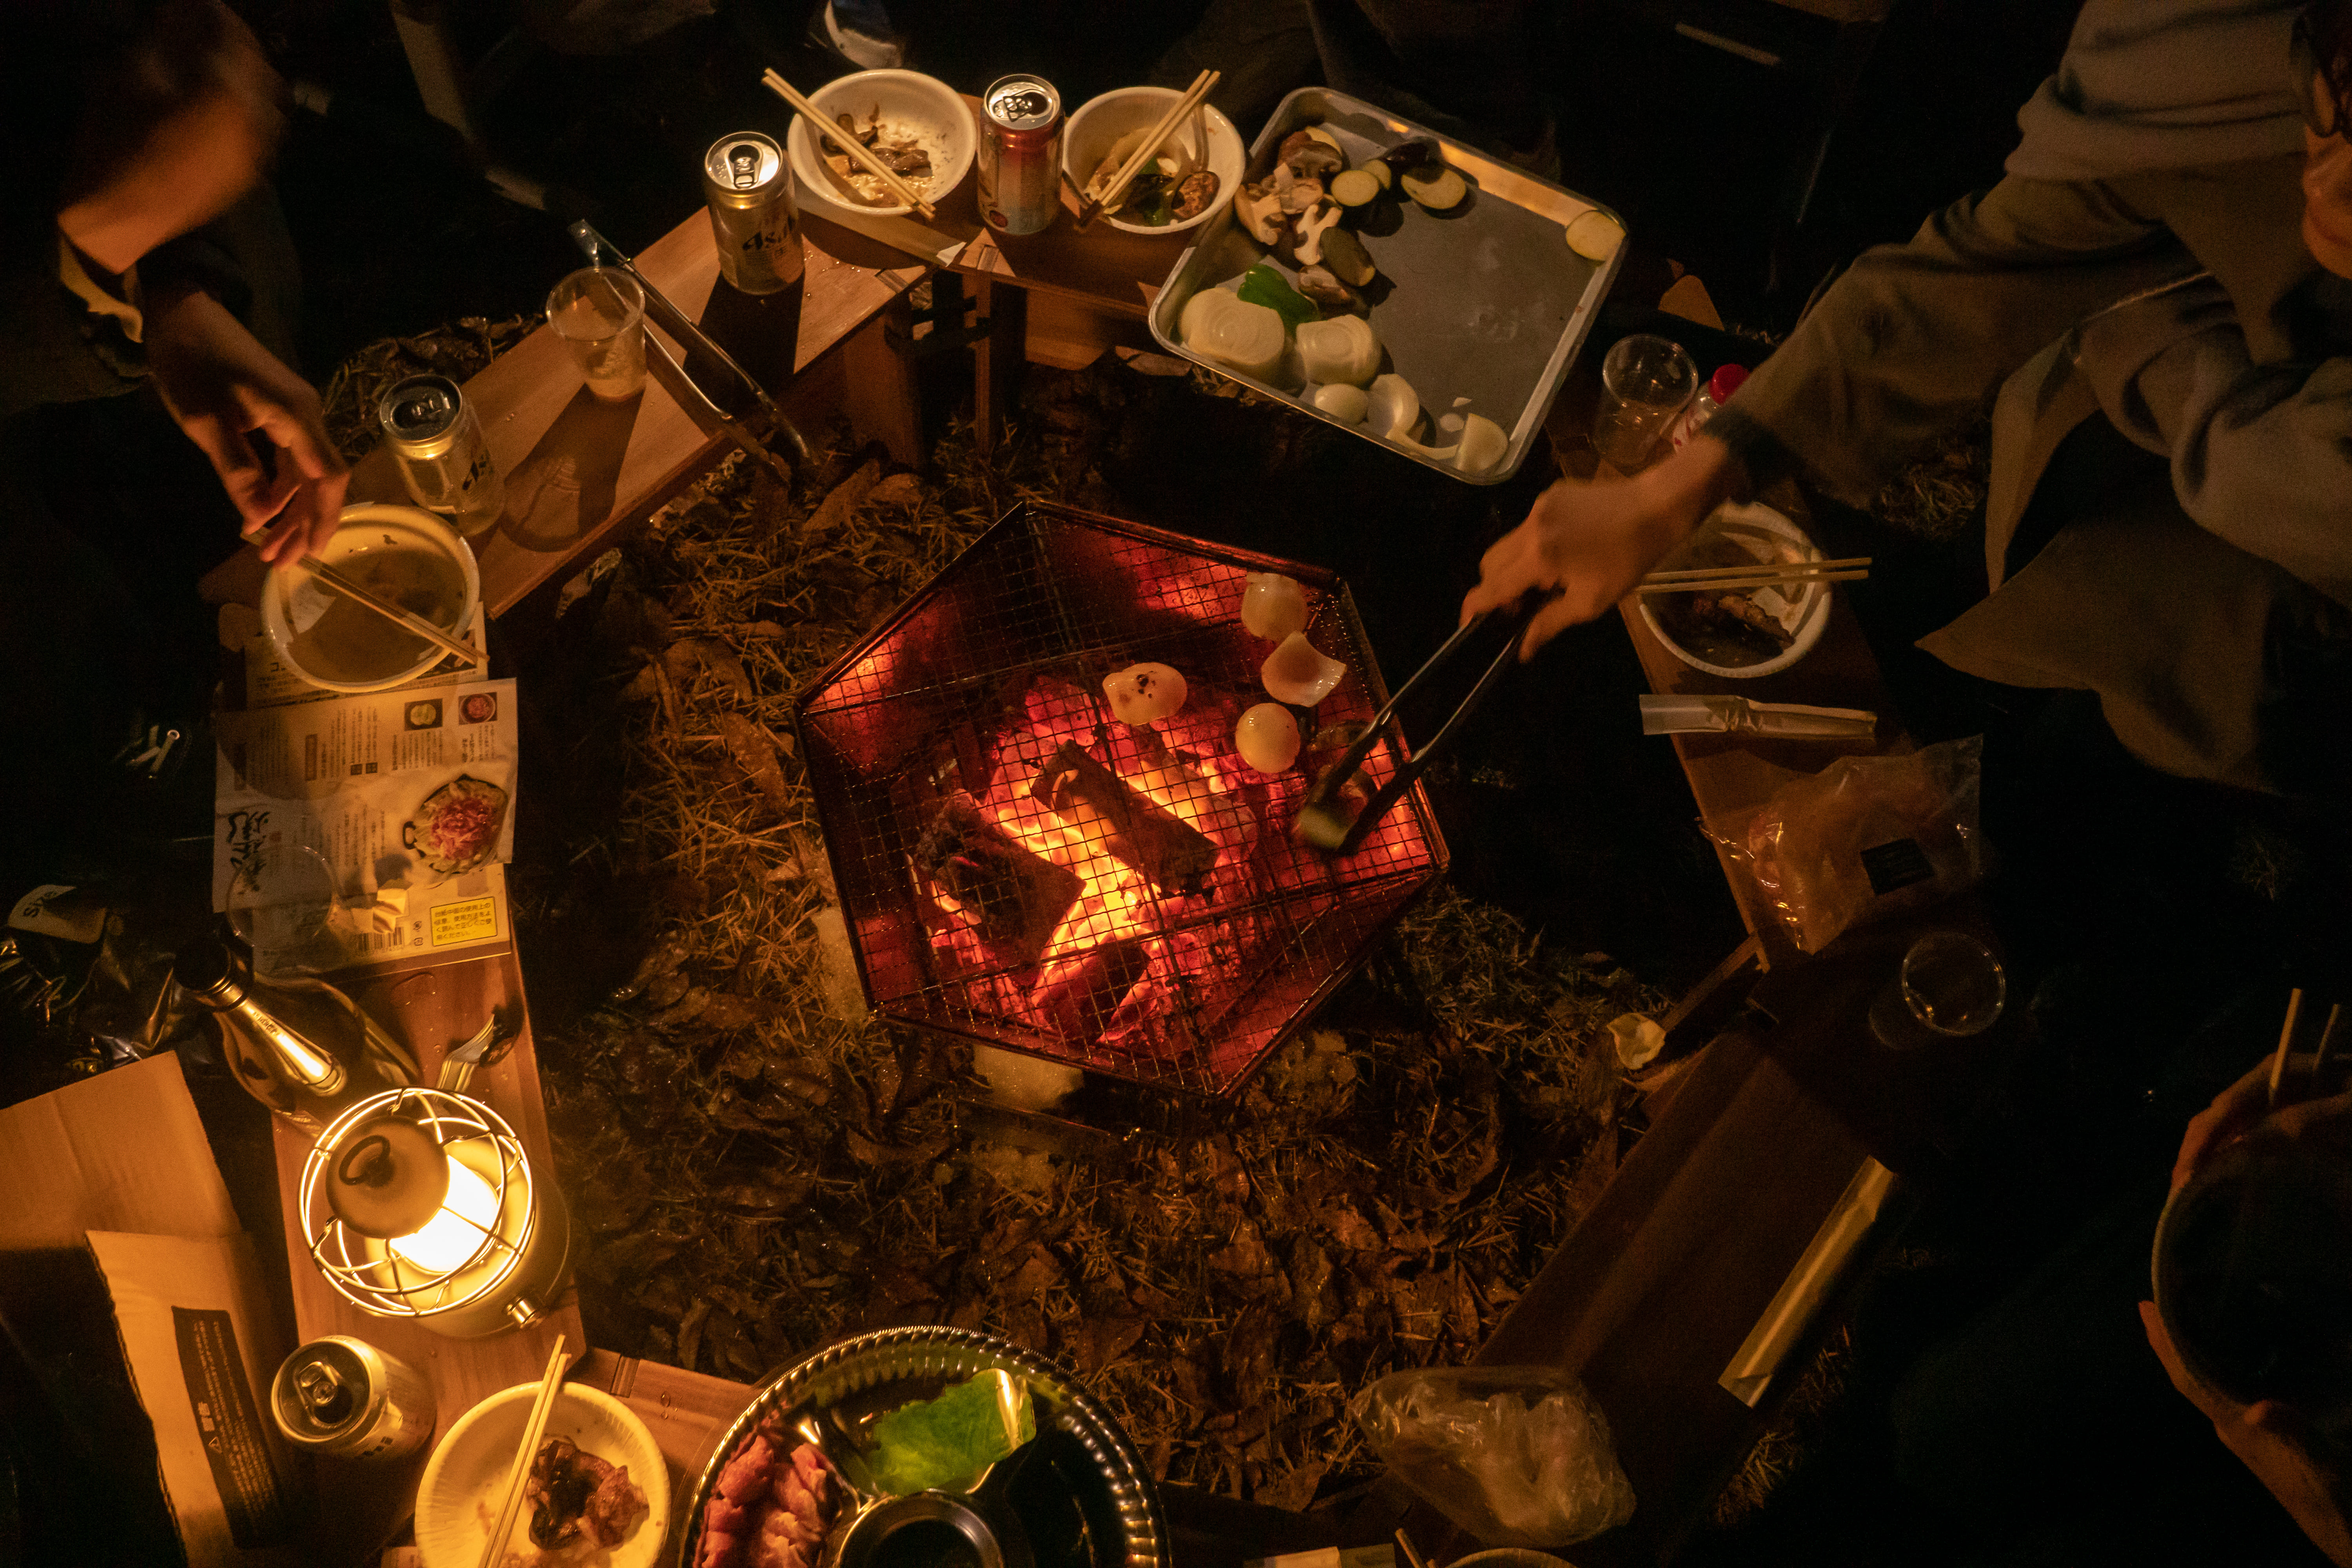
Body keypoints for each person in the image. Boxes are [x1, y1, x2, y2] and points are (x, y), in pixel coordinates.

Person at [1464, 0, 2352, 798]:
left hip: (2282, 581)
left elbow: (2298, 489)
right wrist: (1677, 488)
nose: (2326, 185)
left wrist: (2150, 329)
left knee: (2136, 722)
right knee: (2001, 584)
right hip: (2140, 414)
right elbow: (1983, 272)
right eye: (2331, 115)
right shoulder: (2225, 49)